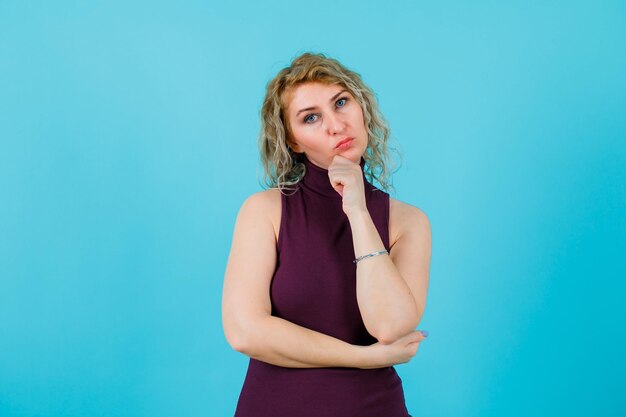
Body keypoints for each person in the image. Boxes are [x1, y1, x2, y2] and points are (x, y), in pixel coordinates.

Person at [222, 52, 432, 417]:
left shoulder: (408, 222)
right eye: (311, 118)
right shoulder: (265, 211)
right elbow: (245, 331)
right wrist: (362, 358)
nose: (336, 126)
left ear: (361, 106)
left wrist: (357, 210)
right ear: (294, 142)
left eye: (341, 102)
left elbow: (390, 326)